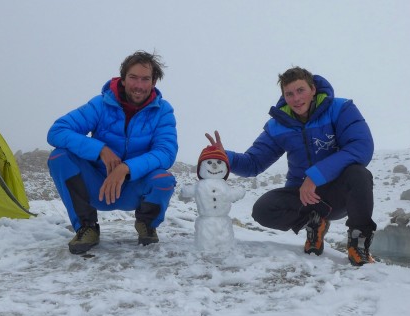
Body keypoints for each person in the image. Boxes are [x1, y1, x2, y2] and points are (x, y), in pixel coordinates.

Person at [206, 66, 377, 266]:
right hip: (303, 195)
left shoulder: (340, 109)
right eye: (289, 94)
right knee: (263, 209)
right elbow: (253, 163)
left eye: (300, 90)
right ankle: (314, 223)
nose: (296, 98)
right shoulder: (278, 125)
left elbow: (361, 147)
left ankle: (359, 244)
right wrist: (224, 157)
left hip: (338, 193)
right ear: (284, 97)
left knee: (359, 174)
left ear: (313, 89)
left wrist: (315, 176)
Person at [47, 50, 178, 255]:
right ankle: (86, 227)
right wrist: (100, 150)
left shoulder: (163, 111)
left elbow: (166, 152)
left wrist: (126, 168)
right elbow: (57, 131)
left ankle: (146, 224)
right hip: (98, 185)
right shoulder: (101, 105)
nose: (139, 85)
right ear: (123, 79)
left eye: (145, 79)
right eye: (133, 77)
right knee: (59, 157)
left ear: (153, 83)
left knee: (163, 179)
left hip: (134, 188)